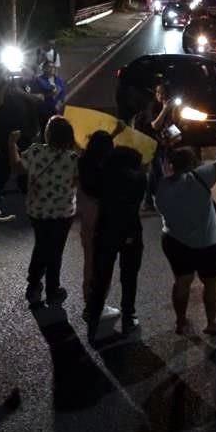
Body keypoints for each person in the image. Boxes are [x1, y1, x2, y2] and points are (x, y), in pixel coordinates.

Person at [156, 136, 216, 336]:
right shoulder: (199, 177)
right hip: (206, 242)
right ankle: (211, 323)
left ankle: (181, 323)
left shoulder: (161, 186)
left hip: (174, 241)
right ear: (192, 164)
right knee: (210, 283)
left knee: (181, 281)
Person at [6, 116, 80, 307]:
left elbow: (16, 168)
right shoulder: (74, 159)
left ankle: (33, 286)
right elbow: (78, 182)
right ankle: (53, 290)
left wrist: (12, 145)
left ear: (48, 133)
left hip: (37, 211)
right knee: (56, 251)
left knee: (41, 246)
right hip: (63, 213)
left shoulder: (36, 151)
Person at [85, 146, 147, 342]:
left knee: (101, 277)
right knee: (129, 277)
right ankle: (129, 316)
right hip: (131, 232)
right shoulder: (139, 179)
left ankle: (94, 319)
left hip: (105, 232)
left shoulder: (103, 177)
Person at [78, 131, 119, 321]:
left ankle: (89, 304)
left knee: (89, 263)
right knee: (104, 267)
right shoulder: (110, 170)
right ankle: (98, 306)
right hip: (105, 223)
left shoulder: (83, 162)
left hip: (87, 222)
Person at [0, 72, 40, 205]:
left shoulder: (26, 85)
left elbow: (38, 99)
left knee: (26, 163)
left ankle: (25, 190)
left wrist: (21, 92)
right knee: (4, 164)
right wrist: (6, 83)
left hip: (25, 133)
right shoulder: (1, 86)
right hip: (7, 135)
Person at [136, 78, 179, 211]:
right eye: (158, 92)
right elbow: (155, 125)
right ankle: (158, 201)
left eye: (163, 93)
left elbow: (172, 123)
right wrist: (165, 110)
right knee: (159, 173)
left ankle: (147, 201)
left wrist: (175, 134)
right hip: (151, 143)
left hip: (162, 144)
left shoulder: (169, 105)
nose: (160, 95)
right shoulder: (153, 106)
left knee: (155, 173)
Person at [29, 62, 67, 132]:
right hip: (44, 110)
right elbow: (35, 94)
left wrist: (60, 101)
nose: (52, 69)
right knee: (45, 130)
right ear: (44, 69)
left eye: (53, 67)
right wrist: (50, 93)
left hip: (57, 110)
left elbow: (63, 92)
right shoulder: (38, 80)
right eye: (49, 67)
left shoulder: (60, 80)